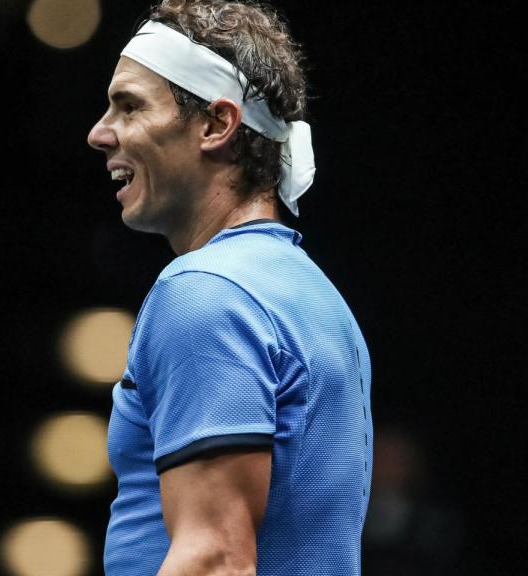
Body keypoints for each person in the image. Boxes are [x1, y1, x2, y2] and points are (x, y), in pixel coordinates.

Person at [86, 1, 373, 574]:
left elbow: (215, 559)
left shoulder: (204, 293)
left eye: (130, 106)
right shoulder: (316, 297)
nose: (99, 133)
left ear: (217, 125)